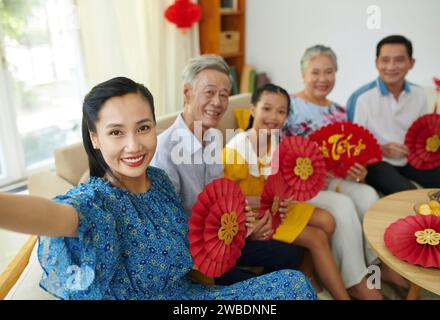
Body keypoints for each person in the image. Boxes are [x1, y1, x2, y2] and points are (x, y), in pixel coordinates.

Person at [0, 77, 316, 300]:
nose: (134, 145)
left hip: (193, 295)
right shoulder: (96, 202)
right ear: (95, 139)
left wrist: (237, 231)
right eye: (116, 133)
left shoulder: (159, 181)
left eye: (143, 128)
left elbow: (188, 248)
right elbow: (51, 215)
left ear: (155, 127)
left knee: (294, 283)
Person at [151, 55, 305, 286]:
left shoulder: (213, 137)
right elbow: (167, 226)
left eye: (224, 95)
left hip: (224, 237)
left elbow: (222, 197)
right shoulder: (165, 151)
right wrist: (235, 234)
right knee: (266, 284)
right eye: (209, 92)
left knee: (291, 255)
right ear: (187, 93)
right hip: (195, 252)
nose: (218, 102)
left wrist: (244, 224)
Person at [283, 45, 408, 299]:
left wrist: (356, 172)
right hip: (297, 186)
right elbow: (272, 151)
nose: (322, 79)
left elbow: (348, 157)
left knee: (368, 194)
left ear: (336, 74)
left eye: (329, 72)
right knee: (342, 206)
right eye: (315, 72)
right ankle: (356, 281)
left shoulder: (339, 111)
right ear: (303, 74)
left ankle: (379, 267)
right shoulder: (288, 105)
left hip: (333, 181)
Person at [222, 83, 350, 300]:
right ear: (253, 109)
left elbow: (280, 183)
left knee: (328, 221)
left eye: (281, 111)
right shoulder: (237, 148)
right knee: (316, 237)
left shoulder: (278, 142)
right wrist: (266, 201)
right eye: (267, 108)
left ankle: (305, 276)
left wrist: (285, 194)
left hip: (274, 208)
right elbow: (227, 199)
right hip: (251, 216)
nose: (273, 116)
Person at [347, 34, 440, 195]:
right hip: (377, 162)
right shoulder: (361, 98)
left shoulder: (419, 94)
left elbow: (421, 134)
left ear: (411, 63)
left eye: (399, 60)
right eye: (385, 60)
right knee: (409, 194)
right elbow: (352, 145)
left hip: (412, 159)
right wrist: (381, 149)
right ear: (376, 63)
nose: (391, 66)